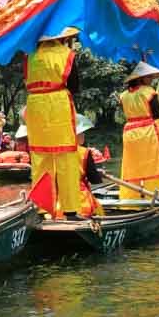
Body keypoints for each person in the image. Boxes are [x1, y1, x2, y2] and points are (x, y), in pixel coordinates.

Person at [24, 27, 82, 219]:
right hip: (57, 104)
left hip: (35, 105)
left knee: (40, 159)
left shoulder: (30, 55)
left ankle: (40, 209)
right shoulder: (67, 54)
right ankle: (71, 211)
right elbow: (74, 86)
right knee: (66, 159)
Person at [118, 61, 159, 199]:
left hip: (129, 131)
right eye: (149, 77)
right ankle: (154, 196)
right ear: (141, 78)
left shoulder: (123, 95)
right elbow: (157, 113)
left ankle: (130, 199)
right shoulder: (149, 92)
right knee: (152, 164)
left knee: (131, 166)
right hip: (146, 130)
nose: (151, 80)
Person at [74, 114, 103, 218]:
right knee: (97, 210)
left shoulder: (57, 152)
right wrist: (98, 174)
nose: (83, 135)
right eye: (81, 133)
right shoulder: (84, 152)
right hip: (81, 203)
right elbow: (95, 179)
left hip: (57, 204)